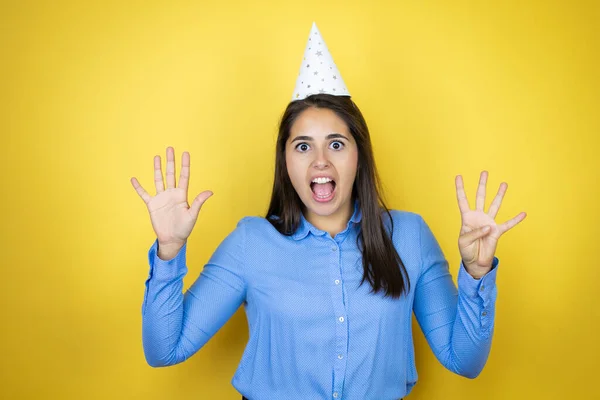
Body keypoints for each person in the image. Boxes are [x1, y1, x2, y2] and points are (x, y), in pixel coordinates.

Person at [130, 23, 526, 400]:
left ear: (359, 156)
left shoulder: (409, 236)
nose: (320, 161)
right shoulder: (251, 242)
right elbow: (165, 350)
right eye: (303, 146)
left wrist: (476, 275)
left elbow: (465, 361)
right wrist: (168, 251)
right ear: (286, 161)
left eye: (336, 144)